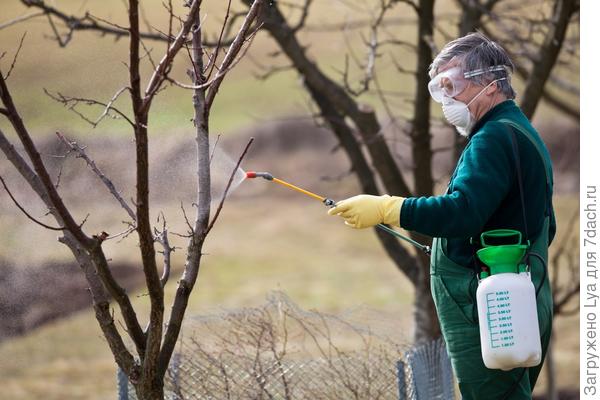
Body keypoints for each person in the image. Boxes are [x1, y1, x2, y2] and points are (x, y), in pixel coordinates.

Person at [328, 32, 555, 400]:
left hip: (492, 308)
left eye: (453, 85)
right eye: (440, 88)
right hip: (516, 299)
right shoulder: (517, 131)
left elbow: (461, 212)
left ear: (491, 84)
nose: (447, 99)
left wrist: (389, 208)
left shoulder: (493, 138)